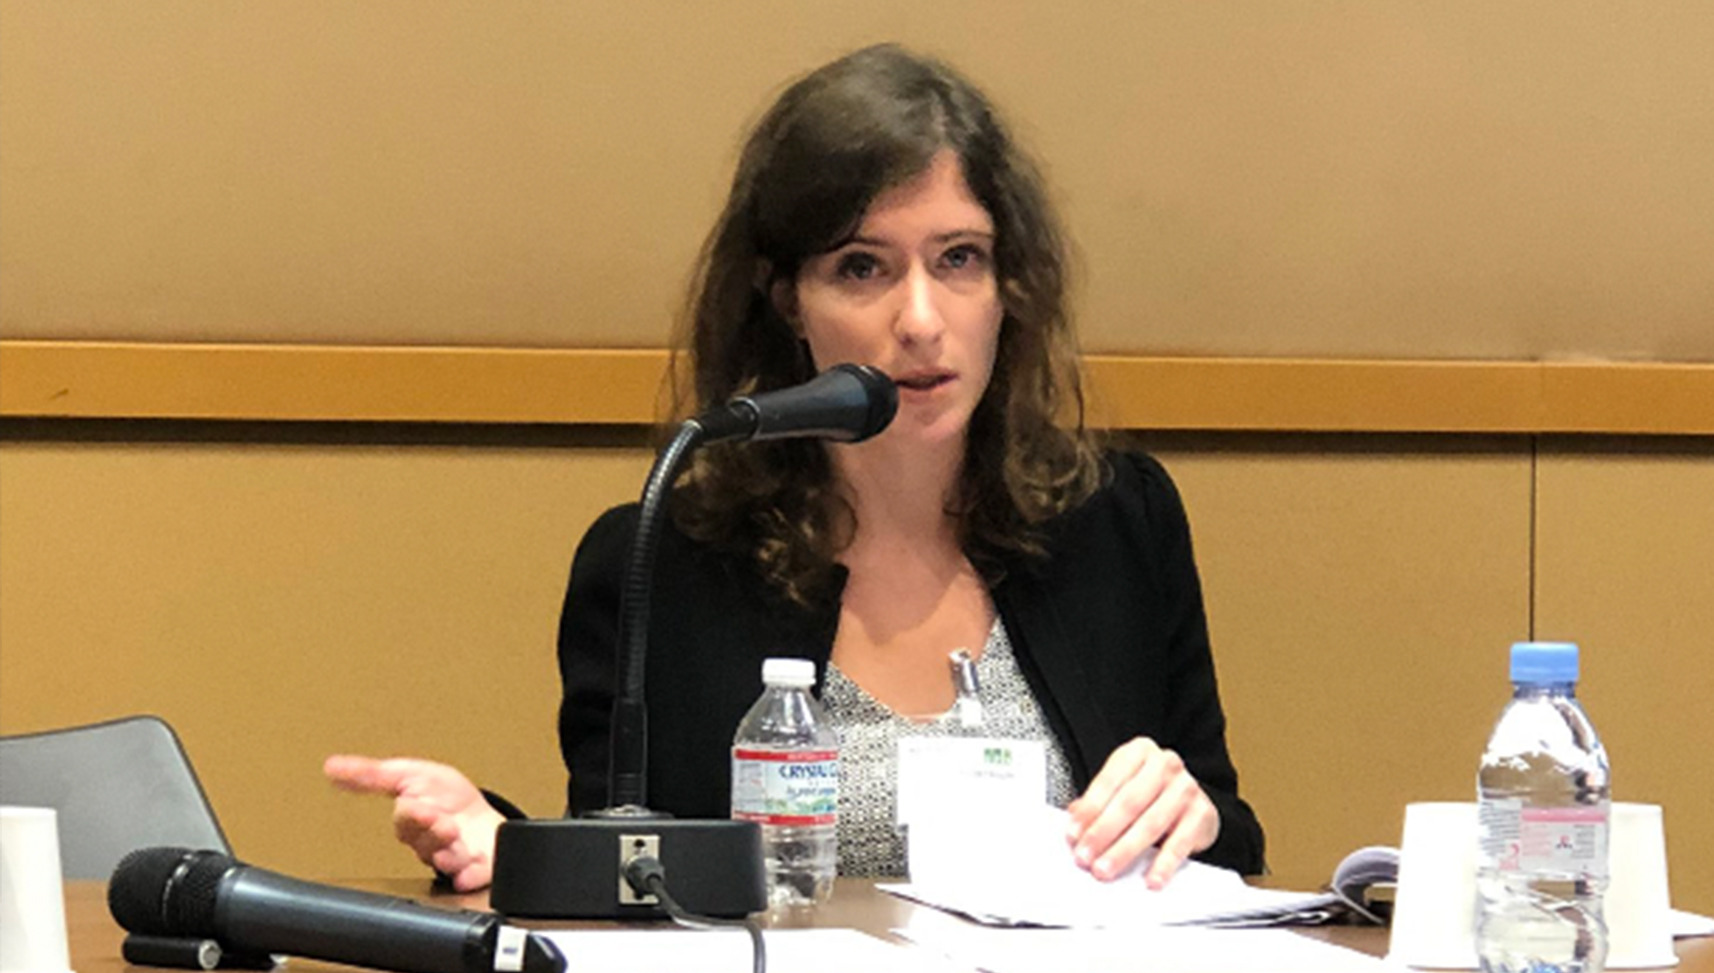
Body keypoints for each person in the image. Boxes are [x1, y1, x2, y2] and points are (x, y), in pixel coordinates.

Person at [326, 43, 1264, 894]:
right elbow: (631, 873)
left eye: (960, 259)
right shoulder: (665, 564)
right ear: (788, 302)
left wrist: (1197, 817)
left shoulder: (1115, 524)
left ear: (1007, 287)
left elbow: (1229, 848)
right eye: (863, 268)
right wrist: (508, 846)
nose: (923, 319)